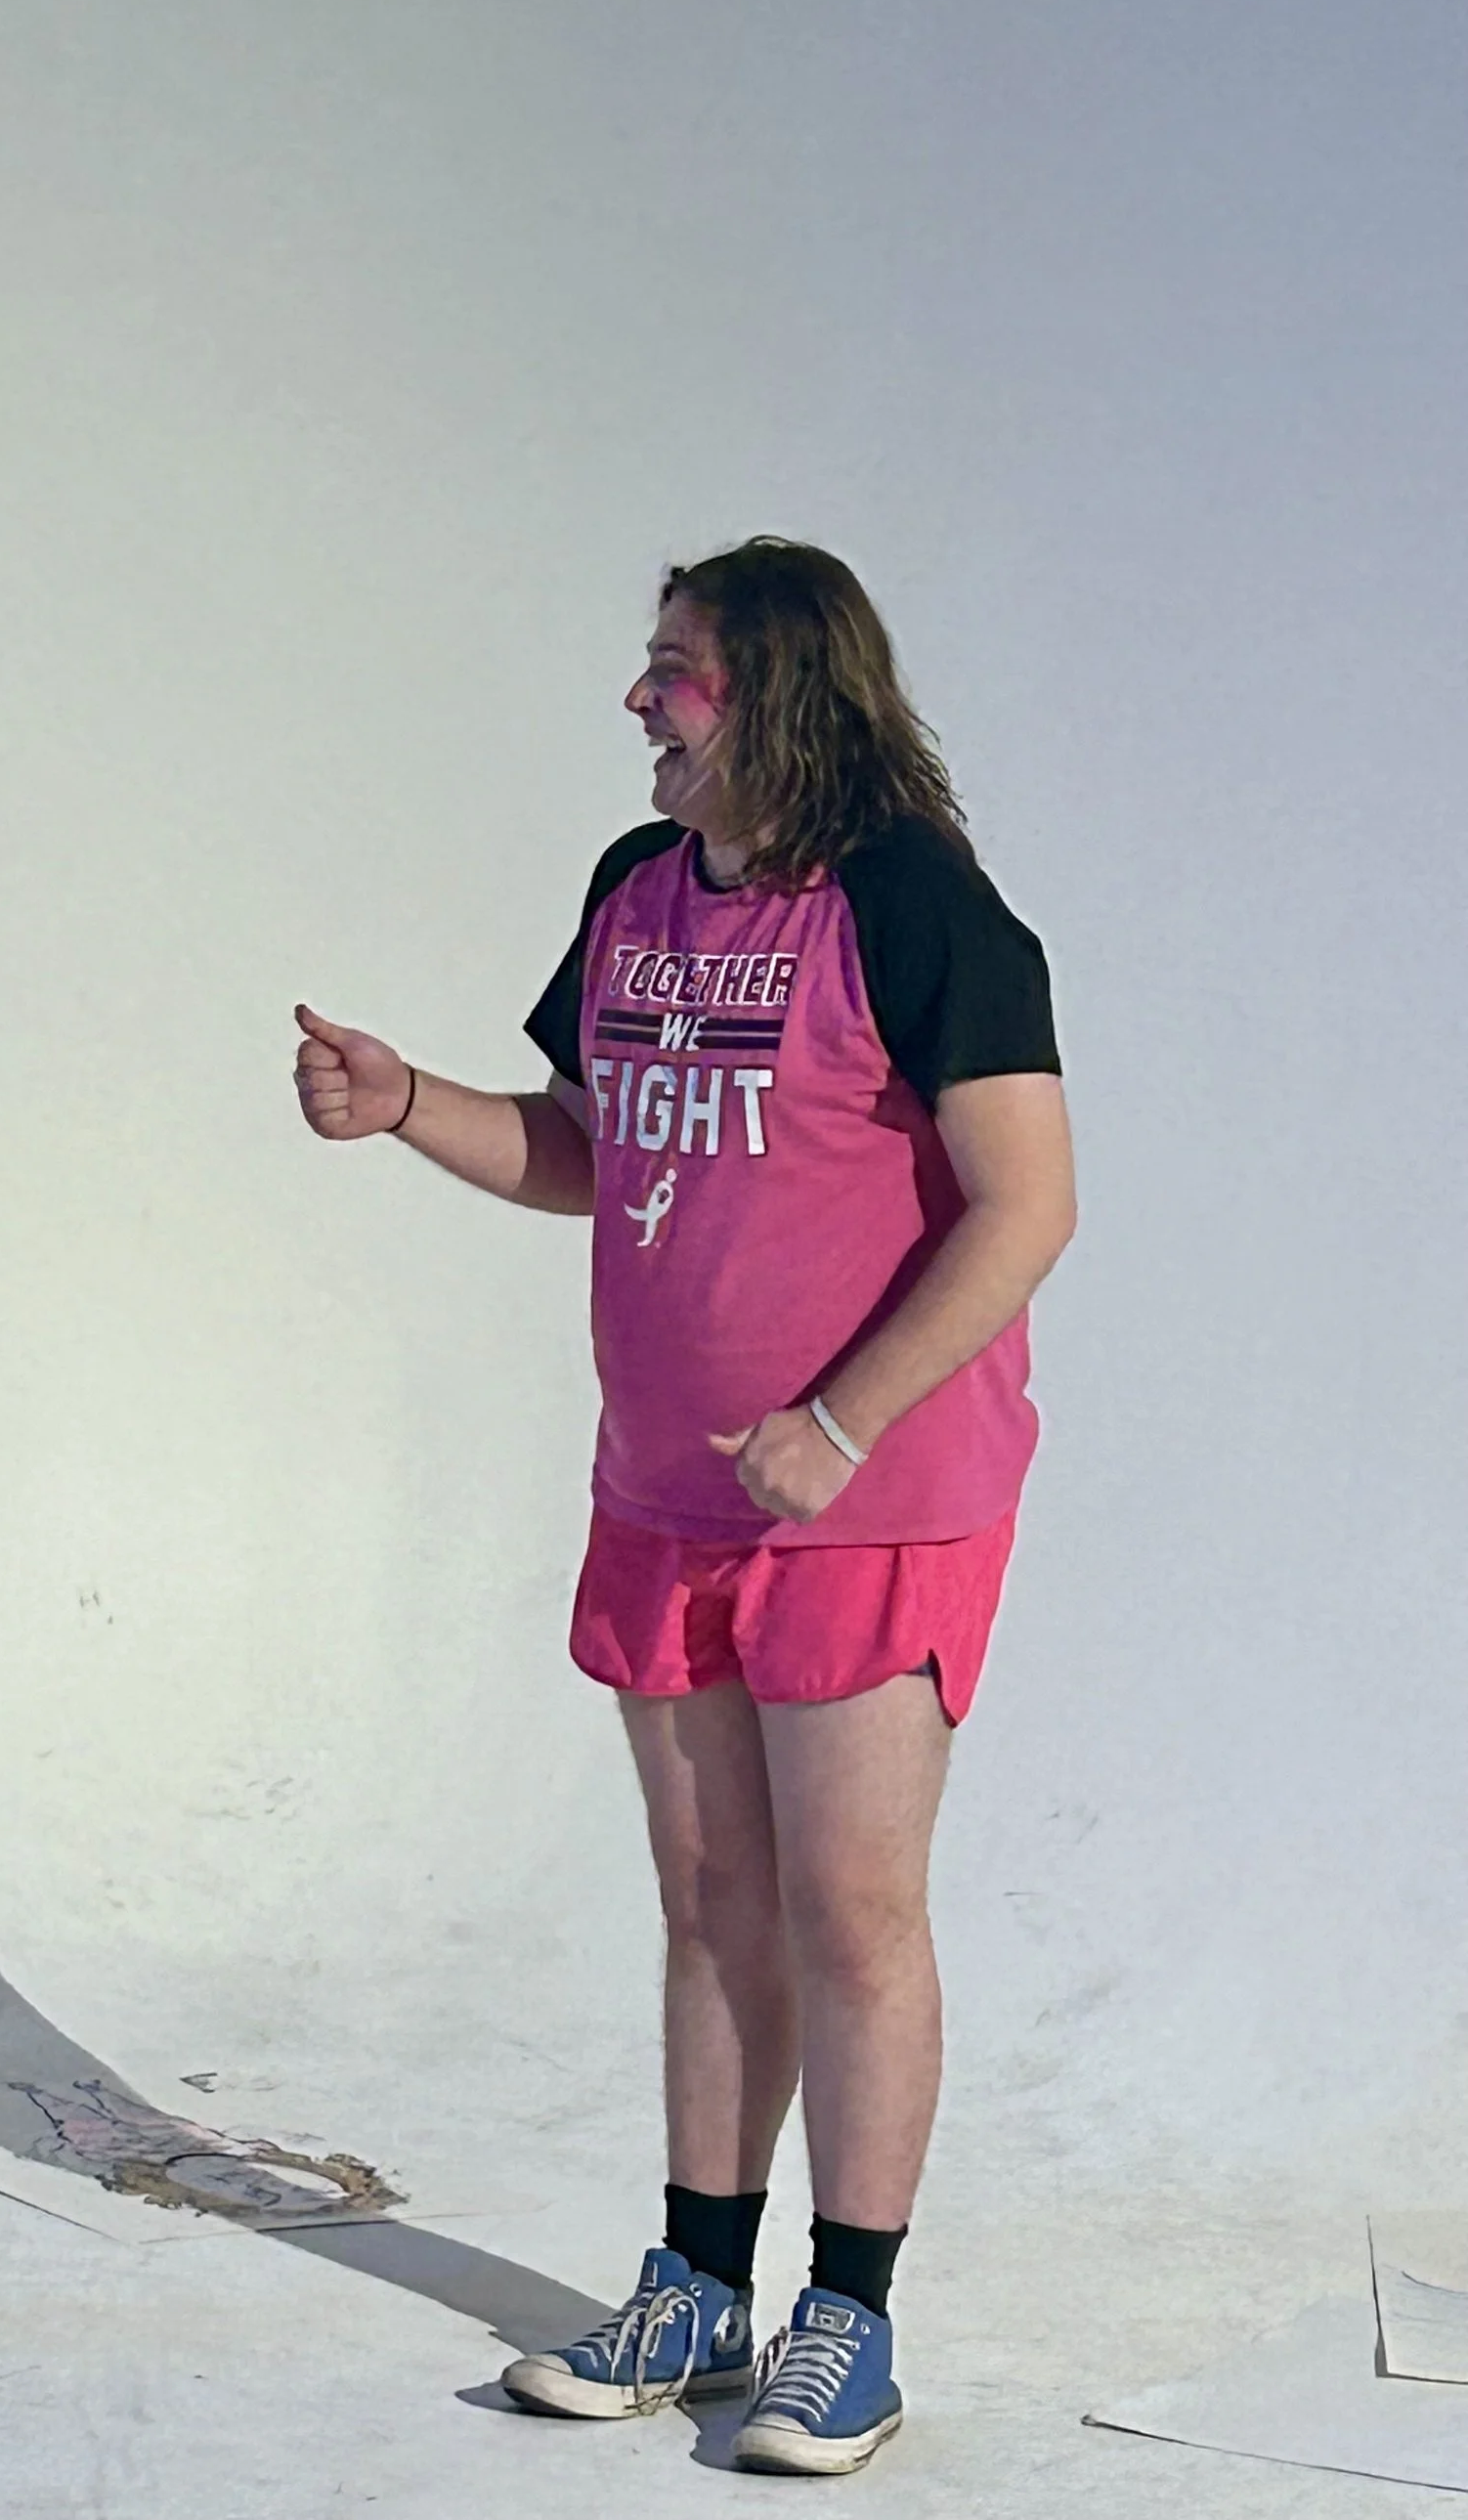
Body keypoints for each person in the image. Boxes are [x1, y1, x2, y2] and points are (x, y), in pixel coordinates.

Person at [293, 538, 1072, 2477]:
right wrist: (407, 1102)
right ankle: (697, 2284)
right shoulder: (637, 889)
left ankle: (847, 2319)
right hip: (664, 1493)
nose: (640, 700)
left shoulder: (916, 902)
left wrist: (840, 1418)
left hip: (872, 1505)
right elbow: (583, 1141)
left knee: (848, 1905)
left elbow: (1027, 1203)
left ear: (782, 689)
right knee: (712, 1900)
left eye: (676, 668)